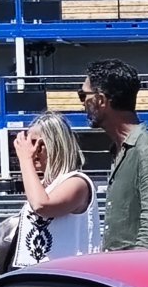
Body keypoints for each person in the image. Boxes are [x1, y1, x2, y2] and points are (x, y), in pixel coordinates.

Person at [78, 58, 148, 250]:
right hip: (120, 274)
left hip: (135, 275)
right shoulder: (122, 150)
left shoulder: (147, 148)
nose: (82, 103)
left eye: (83, 95)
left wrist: (133, 271)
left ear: (100, 100)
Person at [10, 110, 103, 267]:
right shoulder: (46, 186)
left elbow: (42, 205)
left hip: (69, 278)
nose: (31, 151)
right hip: (39, 276)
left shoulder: (77, 182)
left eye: (36, 144)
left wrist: (25, 160)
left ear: (55, 145)